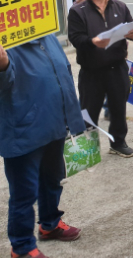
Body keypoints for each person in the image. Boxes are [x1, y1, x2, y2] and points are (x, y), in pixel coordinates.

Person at [0, 34, 85, 258]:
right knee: (24, 194)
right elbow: (4, 84)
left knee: (52, 180)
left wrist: (71, 116)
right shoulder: (6, 39)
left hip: (54, 122)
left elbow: (63, 73)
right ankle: (22, 246)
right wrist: (2, 65)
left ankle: (50, 223)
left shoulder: (46, 34)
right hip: (23, 129)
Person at [68, 0, 133, 158]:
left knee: (118, 107)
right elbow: (75, 38)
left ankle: (118, 142)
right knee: (88, 111)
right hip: (91, 71)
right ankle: (87, 149)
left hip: (117, 68)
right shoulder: (78, 11)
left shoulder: (119, 6)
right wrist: (92, 42)